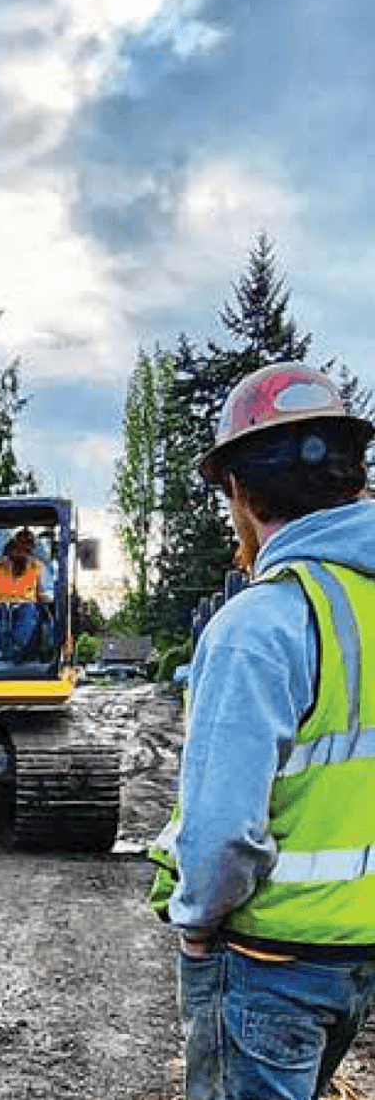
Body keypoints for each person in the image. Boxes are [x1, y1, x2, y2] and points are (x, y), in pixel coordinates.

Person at [147, 361, 375, 1100]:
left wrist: (195, 925)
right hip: (357, 951)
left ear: (239, 493)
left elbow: (221, 831)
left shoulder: (262, 624)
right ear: (352, 472)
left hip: (268, 960)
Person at [0, 529, 46, 661]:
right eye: (20, 545)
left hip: (25, 608)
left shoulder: (37, 567)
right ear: (12, 546)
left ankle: (19, 651)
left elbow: (42, 593)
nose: (23, 549)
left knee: (30, 612)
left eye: (27, 545)